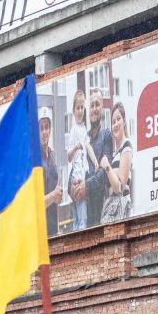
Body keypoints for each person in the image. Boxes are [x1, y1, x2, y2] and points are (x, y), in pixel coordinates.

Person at [99, 101, 134, 224]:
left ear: (124, 121)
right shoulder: (115, 154)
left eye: (118, 119)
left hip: (121, 211)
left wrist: (107, 167)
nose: (115, 124)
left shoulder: (126, 147)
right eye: (113, 122)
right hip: (112, 209)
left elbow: (119, 188)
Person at [82, 88, 113, 222]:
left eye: (97, 105)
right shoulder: (84, 137)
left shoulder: (106, 135)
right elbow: (76, 167)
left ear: (102, 107)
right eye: (92, 105)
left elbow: (104, 172)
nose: (94, 109)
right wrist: (72, 187)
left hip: (101, 210)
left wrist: (86, 185)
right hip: (83, 209)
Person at [64, 88, 90, 231]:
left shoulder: (84, 129)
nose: (80, 111)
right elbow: (69, 157)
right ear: (73, 111)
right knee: (82, 219)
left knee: (79, 219)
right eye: (77, 108)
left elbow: (87, 149)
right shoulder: (74, 130)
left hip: (82, 176)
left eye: (82, 107)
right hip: (77, 177)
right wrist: (76, 147)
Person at [38, 106, 63, 237]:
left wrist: (58, 196)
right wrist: (54, 196)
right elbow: (34, 203)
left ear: (50, 129)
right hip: (40, 234)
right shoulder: (34, 160)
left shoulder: (52, 155)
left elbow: (57, 195)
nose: (44, 132)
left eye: (46, 127)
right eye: (41, 128)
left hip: (54, 231)